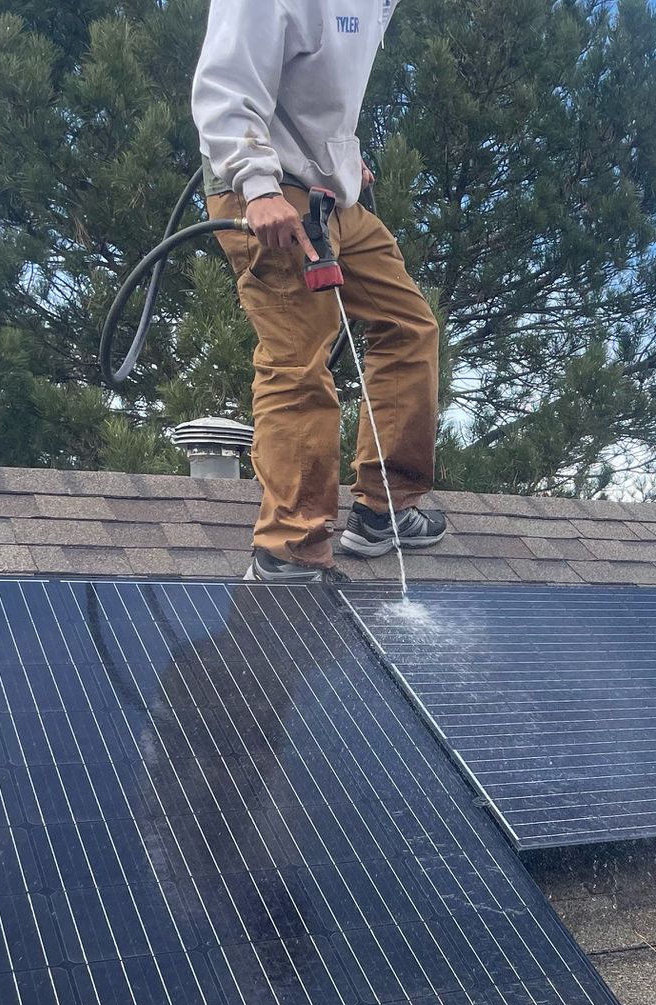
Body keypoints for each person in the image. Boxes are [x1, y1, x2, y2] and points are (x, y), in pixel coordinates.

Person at [192, 0, 447, 582]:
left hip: (328, 194)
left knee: (409, 326)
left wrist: (342, 162)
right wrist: (256, 186)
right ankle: (289, 548)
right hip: (268, 196)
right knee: (298, 361)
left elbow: (314, 95)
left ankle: (385, 508)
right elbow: (227, 81)